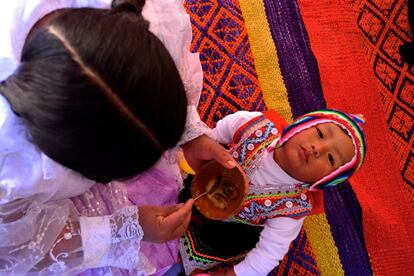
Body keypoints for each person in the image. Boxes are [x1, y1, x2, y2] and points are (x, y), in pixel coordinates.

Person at [0, 0, 235, 274]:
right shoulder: (10, 162)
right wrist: (124, 228)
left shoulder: (140, 14)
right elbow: (18, 244)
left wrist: (189, 133)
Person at [180, 109, 366, 276]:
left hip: (230, 228)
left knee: (210, 247)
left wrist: (236, 273)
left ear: (326, 180)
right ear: (301, 123)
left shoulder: (292, 208)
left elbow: (268, 254)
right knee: (175, 184)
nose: (318, 148)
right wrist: (206, 142)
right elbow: (225, 128)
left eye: (331, 158)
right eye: (319, 133)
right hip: (204, 180)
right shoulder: (255, 126)